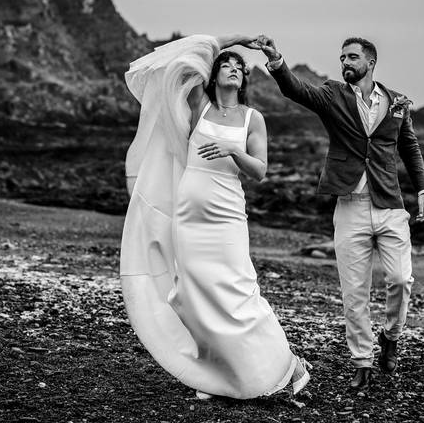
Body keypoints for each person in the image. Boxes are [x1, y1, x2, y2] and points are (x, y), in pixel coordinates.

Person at [119, 33, 311, 400]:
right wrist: (241, 40)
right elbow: (186, 55)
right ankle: (215, 369)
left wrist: (232, 151)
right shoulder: (199, 106)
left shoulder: (253, 119)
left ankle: (286, 365)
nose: (234, 69)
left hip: (226, 222)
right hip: (189, 220)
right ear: (214, 74)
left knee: (238, 293)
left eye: (240, 67)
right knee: (194, 293)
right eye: (227, 64)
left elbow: (260, 170)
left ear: (245, 81)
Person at [256, 34, 424, 390]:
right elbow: (295, 89)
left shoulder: (397, 102)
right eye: (342, 58)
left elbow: (409, 146)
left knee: (401, 280)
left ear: (371, 62)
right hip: (349, 206)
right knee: (354, 292)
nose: (345, 62)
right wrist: (276, 61)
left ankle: (391, 337)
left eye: (352, 57)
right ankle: (363, 362)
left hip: (391, 204)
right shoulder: (332, 94)